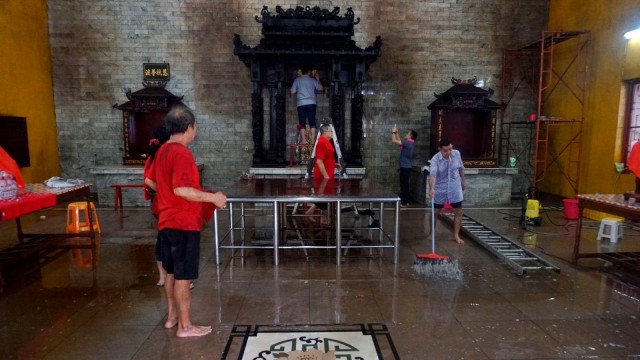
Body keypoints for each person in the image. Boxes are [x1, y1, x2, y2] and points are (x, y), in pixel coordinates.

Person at [145, 105, 227, 338]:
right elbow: (182, 189)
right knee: (183, 276)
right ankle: (186, 326)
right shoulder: (181, 153)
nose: (196, 130)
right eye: (195, 127)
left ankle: (172, 318)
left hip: (166, 221)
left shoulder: (161, 151)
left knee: (171, 272)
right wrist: (214, 197)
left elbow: (155, 183)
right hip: (183, 222)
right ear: (189, 127)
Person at [143, 126, 170, 287]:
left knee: (163, 238)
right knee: (168, 240)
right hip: (164, 205)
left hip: (159, 205)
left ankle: (163, 277)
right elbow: (148, 180)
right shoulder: (162, 156)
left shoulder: (154, 156)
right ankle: (166, 276)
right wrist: (168, 193)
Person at [428, 139, 466, 244]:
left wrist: (463, 180)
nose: (448, 152)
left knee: (458, 211)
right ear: (439, 149)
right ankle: (431, 233)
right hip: (440, 188)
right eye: (445, 150)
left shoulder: (457, 153)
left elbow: (461, 168)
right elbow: (433, 175)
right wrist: (431, 188)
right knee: (435, 211)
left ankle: (456, 235)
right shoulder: (435, 159)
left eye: (450, 149)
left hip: (454, 186)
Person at [306, 124, 338, 221]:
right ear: (325, 132)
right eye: (330, 131)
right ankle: (324, 218)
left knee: (325, 197)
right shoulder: (321, 142)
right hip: (323, 176)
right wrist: (326, 177)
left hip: (327, 173)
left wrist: (335, 164)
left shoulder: (327, 142)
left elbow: (326, 159)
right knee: (323, 197)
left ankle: (317, 215)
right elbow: (319, 161)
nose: (332, 133)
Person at [291, 66, 323, 143]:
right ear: (309, 71)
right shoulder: (312, 80)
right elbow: (321, 88)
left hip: (301, 104)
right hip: (311, 103)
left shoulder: (297, 80)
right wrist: (318, 79)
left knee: (302, 122)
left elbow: (292, 92)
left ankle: (304, 141)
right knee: (312, 122)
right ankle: (312, 140)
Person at [391, 126, 417, 208]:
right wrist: (396, 132)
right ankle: (406, 200)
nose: (406, 134)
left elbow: (394, 140)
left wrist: (393, 132)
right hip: (406, 167)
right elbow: (399, 141)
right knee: (405, 184)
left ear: (410, 136)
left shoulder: (408, 143)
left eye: (408, 133)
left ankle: (404, 202)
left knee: (403, 185)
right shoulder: (409, 143)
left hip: (405, 167)